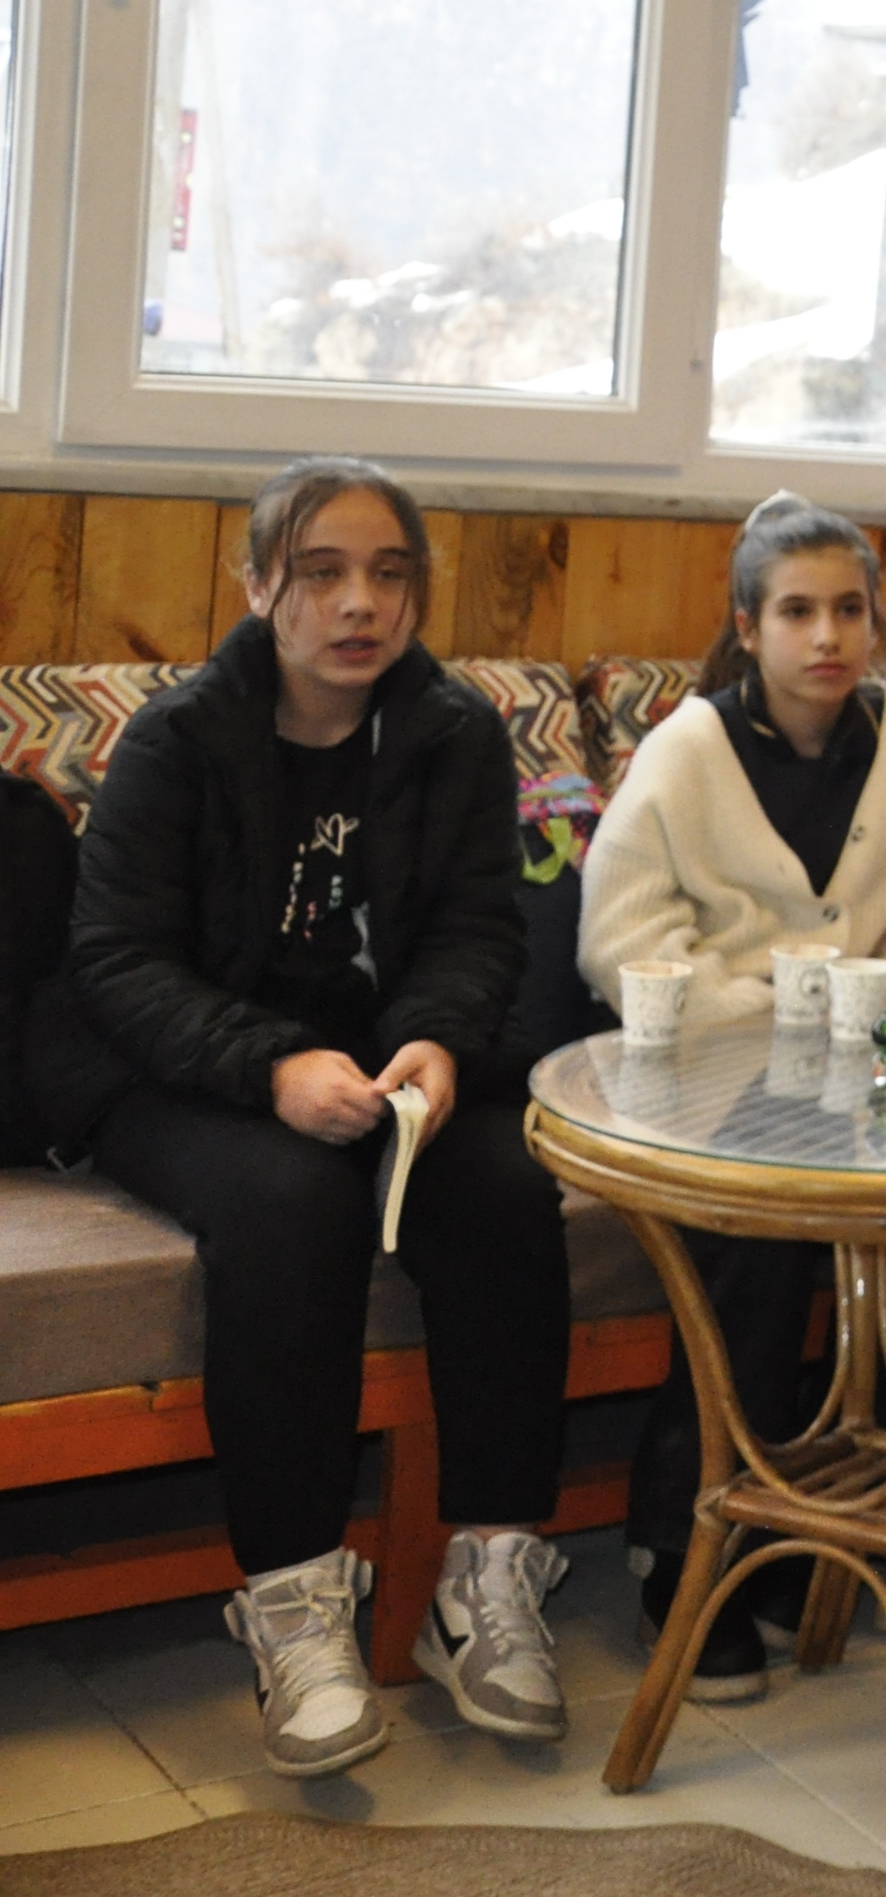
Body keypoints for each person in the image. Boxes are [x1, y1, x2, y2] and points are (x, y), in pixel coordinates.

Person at [32, 459, 574, 1774]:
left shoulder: (450, 732)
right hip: (185, 1071)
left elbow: (474, 930)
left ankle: (488, 1577)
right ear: (261, 582)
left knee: (509, 1186)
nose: (359, 604)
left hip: (384, 1069)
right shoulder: (178, 739)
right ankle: (291, 1603)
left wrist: (438, 1046)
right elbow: (117, 959)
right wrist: (274, 1066)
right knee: (291, 1204)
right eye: (323, 571)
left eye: (389, 574)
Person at [580, 491, 886, 1703]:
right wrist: (780, 1008)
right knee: (756, 1239)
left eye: (848, 609)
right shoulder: (687, 752)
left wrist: (883, 990)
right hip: (705, 1068)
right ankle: (690, 1547)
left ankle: (861, 1521)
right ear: (747, 626)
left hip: (865, 1061)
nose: (826, 636)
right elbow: (619, 942)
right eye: (796, 611)